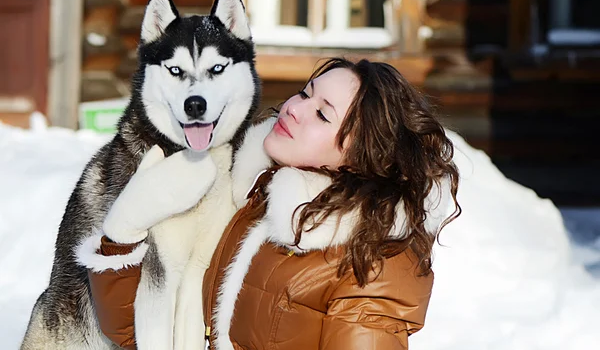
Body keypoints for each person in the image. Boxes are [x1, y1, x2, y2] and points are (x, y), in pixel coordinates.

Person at [83, 57, 460, 350]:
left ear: (362, 156)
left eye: (322, 114)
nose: (295, 108)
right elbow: (143, 335)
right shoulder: (252, 203)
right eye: (306, 93)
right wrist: (123, 232)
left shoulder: (374, 259)